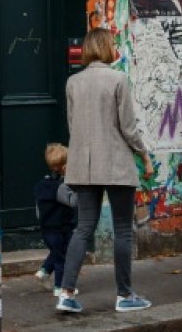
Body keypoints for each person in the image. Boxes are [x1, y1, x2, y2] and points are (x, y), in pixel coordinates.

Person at [57, 28, 154, 313]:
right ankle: (124, 295)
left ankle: (66, 293)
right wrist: (144, 155)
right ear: (105, 47)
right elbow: (128, 127)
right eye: (112, 43)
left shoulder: (73, 82)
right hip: (115, 163)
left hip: (83, 164)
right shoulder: (118, 79)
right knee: (123, 230)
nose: (115, 47)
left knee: (83, 228)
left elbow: (73, 125)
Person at [33, 143, 78, 297]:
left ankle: (44, 271)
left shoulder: (41, 185)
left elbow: (38, 209)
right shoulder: (61, 187)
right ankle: (59, 287)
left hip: (47, 228)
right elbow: (73, 201)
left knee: (57, 251)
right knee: (62, 258)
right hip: (61, 228)